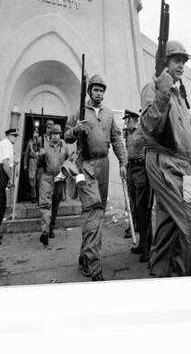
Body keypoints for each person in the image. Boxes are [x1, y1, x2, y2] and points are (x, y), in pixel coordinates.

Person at [140, 40, 191, 277]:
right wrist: (162, 92)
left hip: (181, 167)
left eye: (184, 62)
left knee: (168, 233)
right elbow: (149, 126)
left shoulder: (179, 96)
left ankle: (162, 278)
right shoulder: (152, 89)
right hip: (166, 163)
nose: (182, 66)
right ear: (163, 62)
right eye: (177, 60)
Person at [64, 75, 128, 281]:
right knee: (92, 212)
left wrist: (123, 162)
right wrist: (76, 129)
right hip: (85, 166)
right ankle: (94, 265)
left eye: (102, 90)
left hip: (104, 165)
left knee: (97, 213)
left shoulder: (108, 113)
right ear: (89, 91)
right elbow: (66, 135)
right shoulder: (79, 112)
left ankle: (85, 257)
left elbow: (117, 138)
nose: (99, 93)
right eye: (96, 89)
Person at [123, 109, 152, 263]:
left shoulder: (142, 130)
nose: (125, 122)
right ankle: (142, 244)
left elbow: (151, 148)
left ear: (133, 119)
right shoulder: (128, 133)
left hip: (141, 170)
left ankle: (148, 248)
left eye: (126, 119)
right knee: (135, 207)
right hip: (130, 169)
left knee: (143, 210)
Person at [37, 124, 70, 246]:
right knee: (45, 205)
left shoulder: (64, 146)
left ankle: (51, 228)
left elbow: (68, 160)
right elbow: (39, 164)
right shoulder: (44, 145)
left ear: (60, 134)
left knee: (56, 204)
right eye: (53, 134)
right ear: (50, 135)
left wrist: (65, 173)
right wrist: (40, 156)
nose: (55, 136)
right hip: (47, 177)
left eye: (57, 133)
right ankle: (44, 232)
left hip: (59, 179)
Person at [23, 127, 41, 203]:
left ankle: (40, 196)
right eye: (35, 132)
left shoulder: (41, 141)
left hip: (39, 162)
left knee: (39, 179)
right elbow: (26, 154)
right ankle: (33, 197)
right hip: (32, 161)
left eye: (37, 133)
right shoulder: (30, 142)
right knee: (32, 179)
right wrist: (25, 164)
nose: (36, 134)